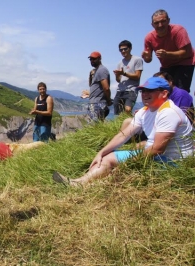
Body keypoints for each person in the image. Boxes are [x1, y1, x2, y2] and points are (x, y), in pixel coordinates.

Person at [53, 77, 193, 187]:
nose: (145, 94)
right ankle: (81, 184)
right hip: (153, 156)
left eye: (150, 90)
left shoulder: (168, 112)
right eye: (143, 91)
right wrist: (101, 152)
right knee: (106, 158)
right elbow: (124, 134)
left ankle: (80, 184)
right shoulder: (145, 111)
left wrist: (128, 162)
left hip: (174, 163)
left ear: (164, 93)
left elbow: (157, 149)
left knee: (115, 164)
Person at [142, 9, 195, 93]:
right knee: (163, 90)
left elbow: (187, 52)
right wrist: (146, 57)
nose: (160, 25)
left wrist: (167, 54)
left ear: (168, 21)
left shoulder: (178, 31)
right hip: (166, 65)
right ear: (152, 25)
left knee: (180, 90)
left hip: (185, 62)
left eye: (163, 21)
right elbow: (148, 59)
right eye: (156, 23)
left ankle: (185, 105)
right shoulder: (149, 38)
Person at [113, 40, 144, 115]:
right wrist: (117, 75)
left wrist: (124, 73)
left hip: (131, 90)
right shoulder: (120, 63)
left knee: (128, 110)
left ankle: (133, 123)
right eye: (121, 50)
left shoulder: (137, 60)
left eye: (125, 49)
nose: (123, 51)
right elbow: (118, 80)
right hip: (120, 90)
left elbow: (137, 76)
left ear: (130, 48)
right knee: (118, 114)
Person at [85, 51, 112, 121]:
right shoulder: (96, 71)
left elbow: (106, 88)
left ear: (99, 59)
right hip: (95, 102)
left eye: (94, 59)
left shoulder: (102, 70)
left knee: (94, 125)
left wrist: (108, 100)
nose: (92, 61)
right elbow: (94, 86)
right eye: (90, 59)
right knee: (96, 125)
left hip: (98, 103)